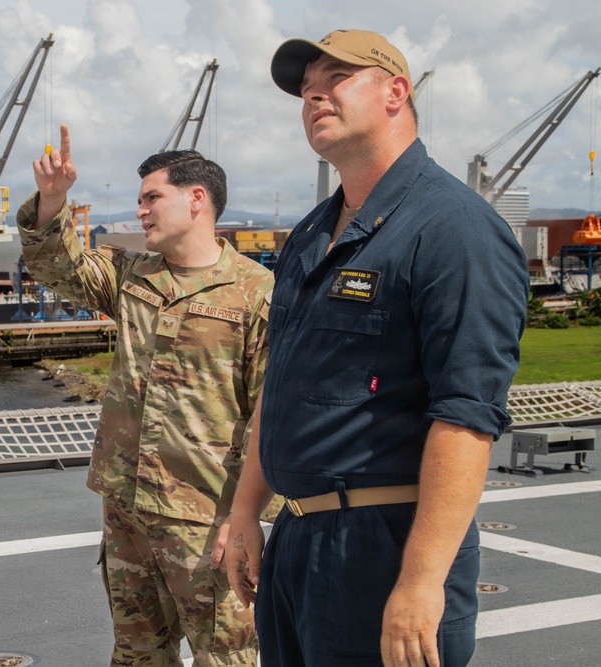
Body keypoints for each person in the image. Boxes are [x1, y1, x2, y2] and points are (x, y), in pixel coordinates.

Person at [224, 29, 529, 667]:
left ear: (396, 93)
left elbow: (467, 415)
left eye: (335, 79)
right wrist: (248, 507)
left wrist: (420, 582)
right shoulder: (313, 230)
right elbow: (284, 382)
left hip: (384, 545)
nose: (314, 97)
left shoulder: (454, 229)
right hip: (299, 537)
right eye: (306, 90)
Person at [18, 125, 272, 666]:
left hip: (206, 516)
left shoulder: (257, 293)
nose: (141, 212)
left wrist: (246, 513)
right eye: (139, 201)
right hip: (128, 508)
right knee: (137, 655)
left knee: (227, 657)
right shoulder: (133, 275)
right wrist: (53, 200)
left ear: (197, 199)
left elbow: (267, 415)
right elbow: (53, 265)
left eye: (152, 197)